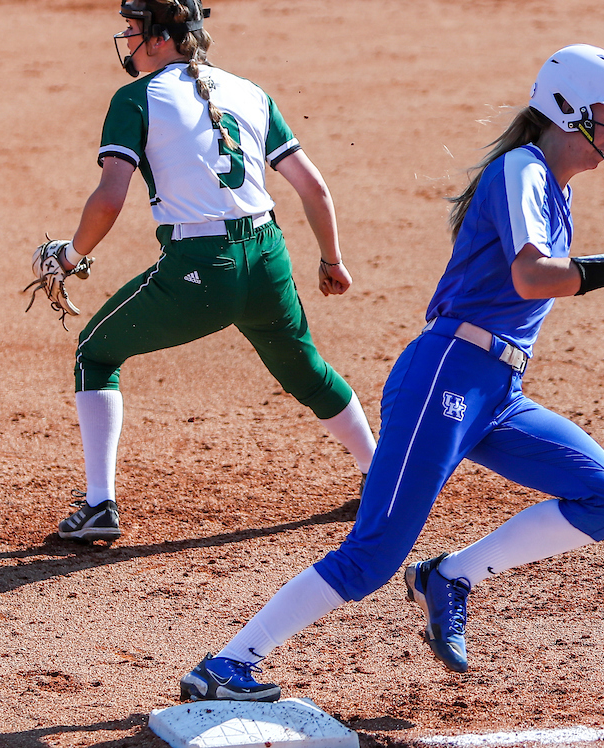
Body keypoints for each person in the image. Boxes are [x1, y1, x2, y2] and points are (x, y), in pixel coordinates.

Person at [178, 44, 604, 701]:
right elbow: (531, 278)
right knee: (373, 554)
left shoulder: (554, 190)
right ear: (567, 110)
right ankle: (228, 665)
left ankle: (449, 577)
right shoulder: (522, 171)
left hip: (498, 392)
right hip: (447, 375)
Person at [35, 0, 377, 544]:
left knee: (95, 353)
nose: (126, 38)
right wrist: (331, 259)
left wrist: (70, 256)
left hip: (200, 270)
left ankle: (100, 505)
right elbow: (314, 186)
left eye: (133, 29)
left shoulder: (135, 98)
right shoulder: (250, 91)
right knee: (306, 370)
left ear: (161, 37)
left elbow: (110, 196)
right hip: (268, 258)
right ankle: (382, 479)